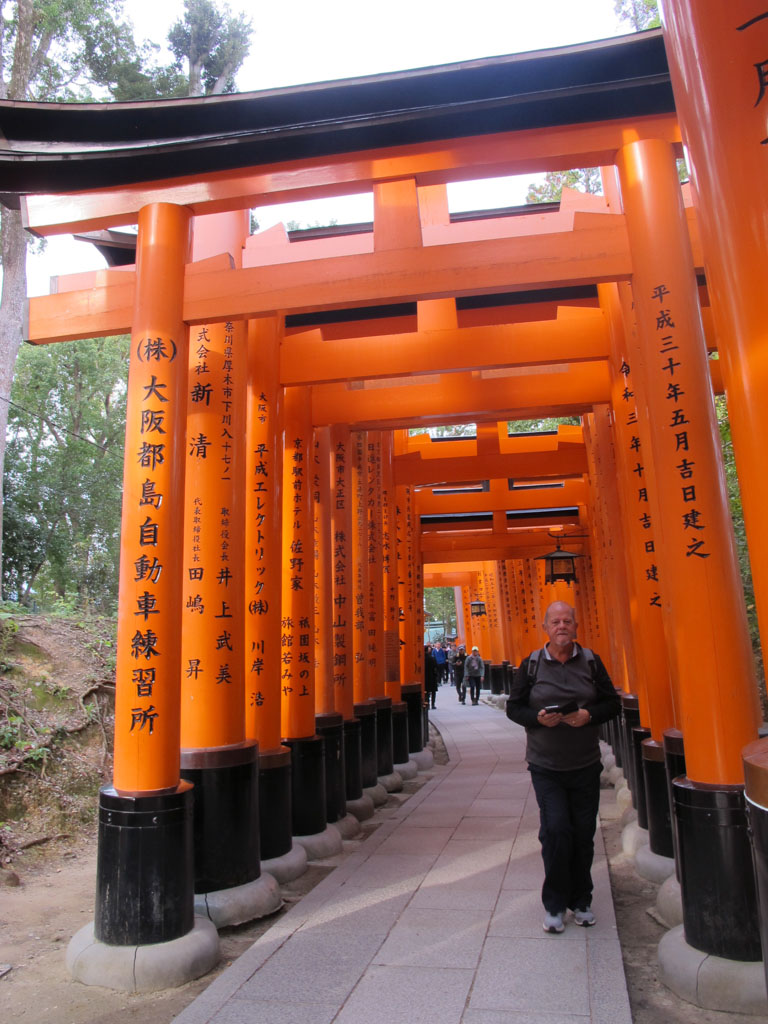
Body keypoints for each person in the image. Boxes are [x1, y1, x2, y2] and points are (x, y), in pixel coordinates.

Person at [506, 601, 620, 935]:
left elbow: (612, 703)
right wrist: (537, 719)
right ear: (545, 627)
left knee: (583, 834)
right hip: (546, 765)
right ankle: (555, 904)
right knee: (556, 830)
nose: (561, 627)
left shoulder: (591, 661)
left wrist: (588, 715)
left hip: (585, 763)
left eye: (567, 621)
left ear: (576, 626)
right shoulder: (531, 665)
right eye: (555, 622)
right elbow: (514, 708)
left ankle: (581, 900)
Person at [424, 644, 438, 709]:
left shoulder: (421, 659)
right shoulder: (432, 658)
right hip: (432, 676)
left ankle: (427, 703)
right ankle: (433, 704)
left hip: (425, 677)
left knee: (426, 691)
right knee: (433, 692)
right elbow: (436, 667)